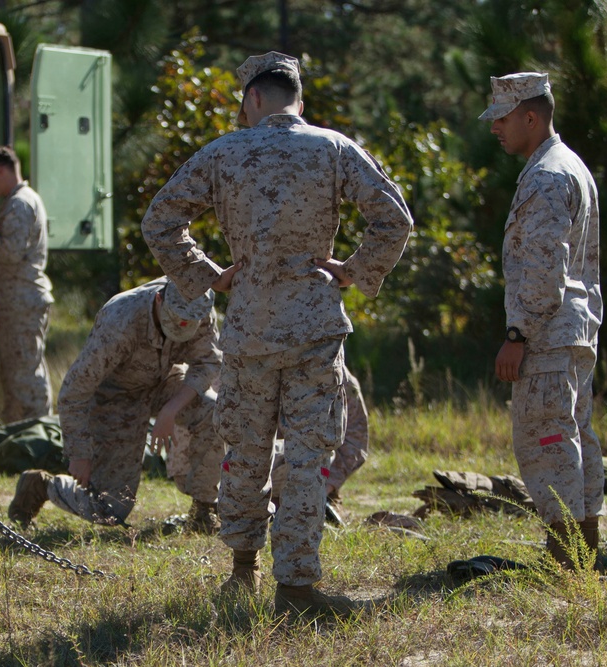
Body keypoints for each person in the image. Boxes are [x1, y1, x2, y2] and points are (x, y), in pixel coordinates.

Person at [141, 52, 412, 618]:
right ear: (298, 99)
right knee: (309, 454)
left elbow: (160, 220)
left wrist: (207, 277)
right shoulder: (333, 146)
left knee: (245, 452)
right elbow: (394, 219)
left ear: (253, 98)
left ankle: (242, 571)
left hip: (247, 330)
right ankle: (296, 589)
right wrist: (355, 272)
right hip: (315, 327)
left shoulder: (223, 152)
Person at [480, 72, 603, 569]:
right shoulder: (569, 165)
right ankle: (582, 559)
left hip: (548, 335)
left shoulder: (548, 176)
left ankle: (568, 567)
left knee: (547, 445)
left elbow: (544, 271)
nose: (495, 129)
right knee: (572, 438)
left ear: (531, 117)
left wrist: (517, 335)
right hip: (575, 330)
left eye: (503, 119)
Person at [7, 277, 225, 532]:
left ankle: (203, 511)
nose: (182, 326)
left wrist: (171, 409)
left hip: (166, 381)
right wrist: (79, 453)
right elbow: (74, 391)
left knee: (215, 413)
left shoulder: (200, 305)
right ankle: (41, 486)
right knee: (110, 509)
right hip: (116, 398)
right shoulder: (120, 320)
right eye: (175, 320)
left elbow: (207, 363)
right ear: (159, 299)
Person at [0, 147, 53, 423]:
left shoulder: (19, 203)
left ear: (1, 170)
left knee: (26, 372)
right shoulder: (21, 200)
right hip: (19, 299)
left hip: (22, 300)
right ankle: (19, 432)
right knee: (17, 371)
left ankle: (37, 435)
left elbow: (11, 251)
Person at [270, 366, 369, 524]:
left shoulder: (339, 377)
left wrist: (324, 488)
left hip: (316, 479)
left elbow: (355, 442)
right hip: (265, 477)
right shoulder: (261, 366)